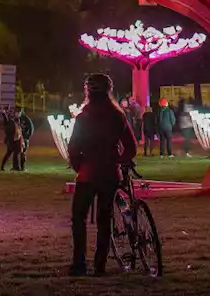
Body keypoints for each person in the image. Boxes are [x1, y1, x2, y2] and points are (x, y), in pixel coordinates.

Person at [66, 73, 137, 277]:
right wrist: (119, 160)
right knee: (105, 220)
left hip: (87, 174)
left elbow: (73, 148)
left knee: (79, 219)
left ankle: (79, 263)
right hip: (110, 174)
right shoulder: (118, 115)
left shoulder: (83, 117)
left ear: (87, 92)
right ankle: (100, 264)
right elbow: (130, 147)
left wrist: (79, 166)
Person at [0, 106, 25, 171]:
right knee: (12, 153)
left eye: (19, 113)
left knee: (12, 153)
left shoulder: (18, 120)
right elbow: (6, 120)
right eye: (17, 113)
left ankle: (13, 167)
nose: (18, 114)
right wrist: (3, 113)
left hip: (16, 139)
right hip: (12, 140)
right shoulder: (11, 120)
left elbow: (19, 130)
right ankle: (14, 167)